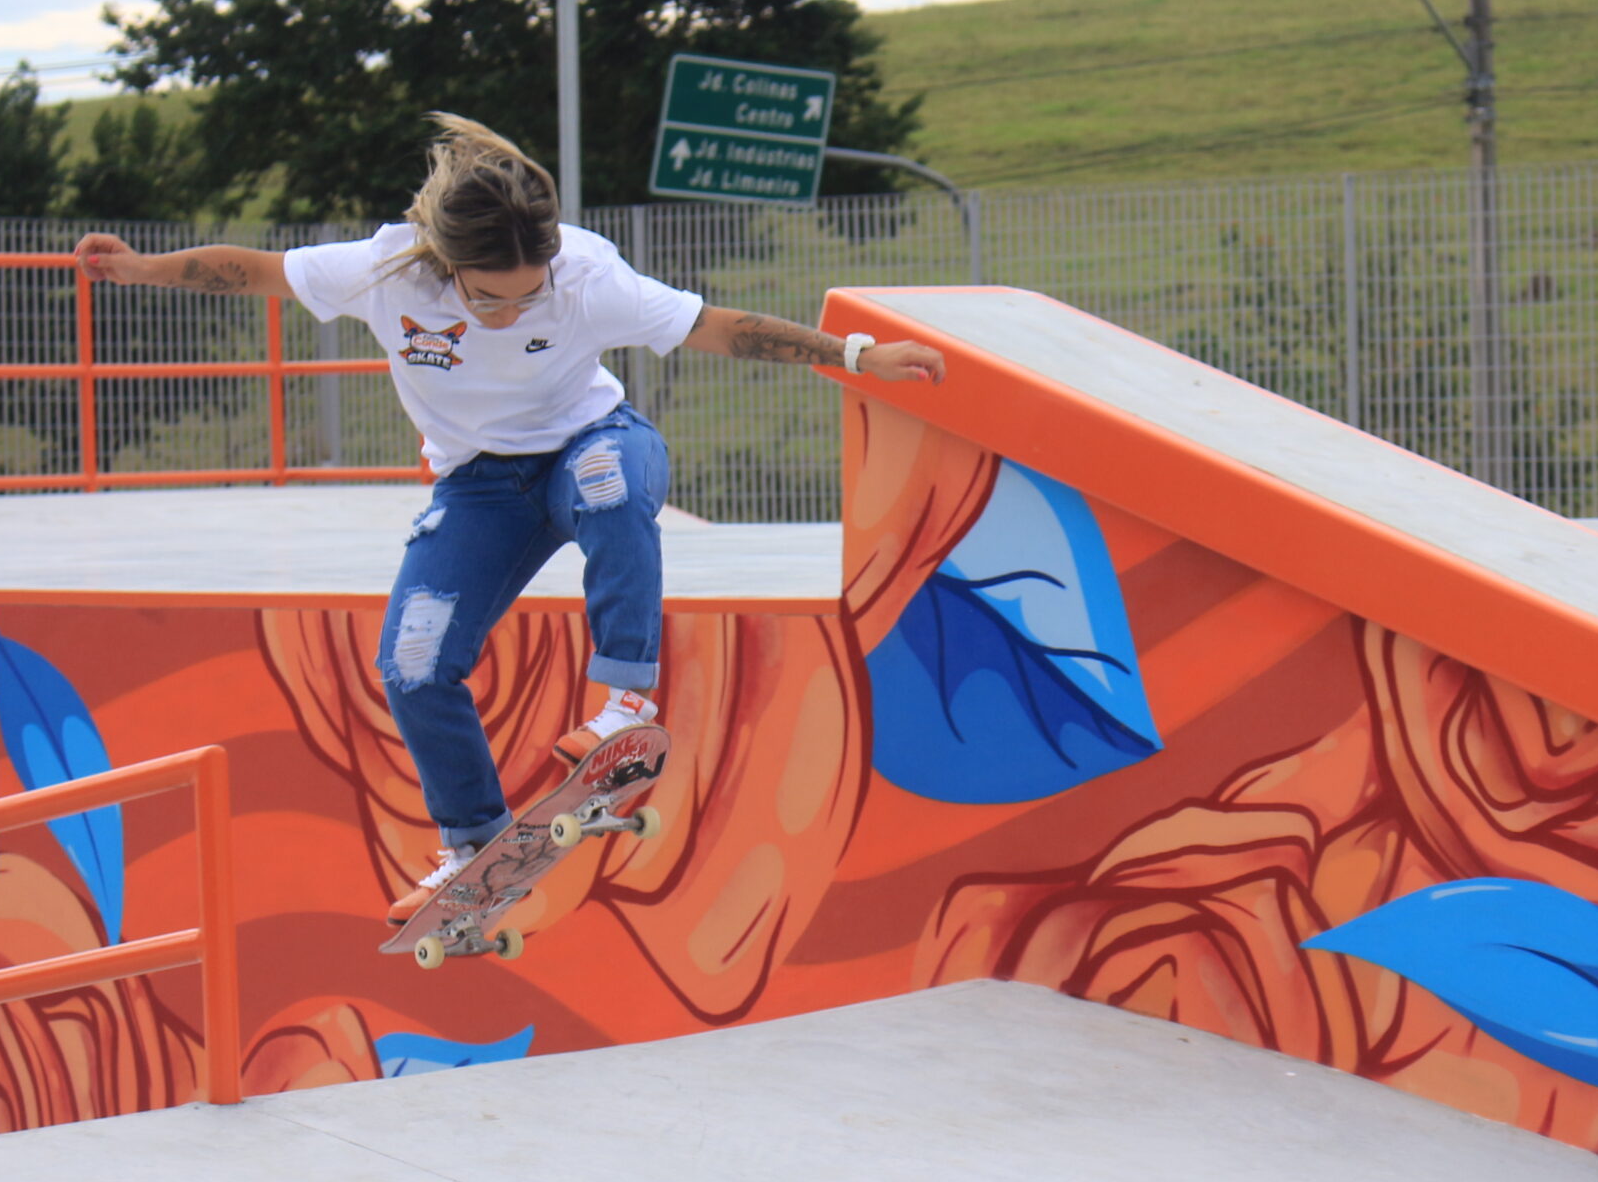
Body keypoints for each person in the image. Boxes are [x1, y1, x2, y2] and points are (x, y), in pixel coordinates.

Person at [72, 113, 947, 923]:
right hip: (479, 491)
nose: (515, 309)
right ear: (444, 263)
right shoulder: (385, 271)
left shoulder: (583, 277)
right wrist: (139, 269)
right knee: (413, 665)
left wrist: (857, 355)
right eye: (493, 296)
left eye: (528, 294)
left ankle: (628, 704)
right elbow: (254, 269)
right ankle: (475, 845)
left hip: (591, 442)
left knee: (606, 479)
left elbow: (722, 328)